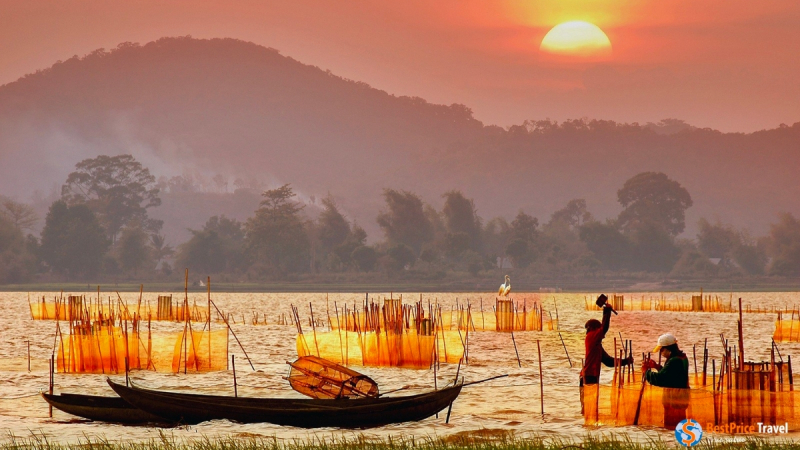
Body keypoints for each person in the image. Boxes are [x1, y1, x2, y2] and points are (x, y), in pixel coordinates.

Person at [580, 294, 633, 386]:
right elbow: (604, 328)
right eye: (598, 330)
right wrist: (607, 311)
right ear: (593, 329)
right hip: (588, 376)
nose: (602, 336)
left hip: (593, 376)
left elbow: (608, 361)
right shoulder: (591, 336)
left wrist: (625, 361)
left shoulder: (597, 345)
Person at [642, 333, 690, 427]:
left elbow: (661, 379)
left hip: (674, 400)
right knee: (679, 425)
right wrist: (657, 366)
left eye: (662, 350)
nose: (661, 353)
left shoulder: (674, 361)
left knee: (671, 426)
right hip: (681, 398)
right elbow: (671, 375)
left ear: (669, 349)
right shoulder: (682, 357)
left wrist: (646, 372)